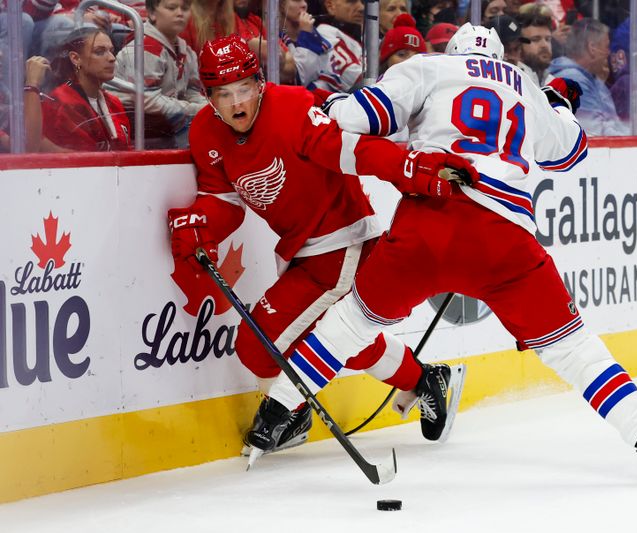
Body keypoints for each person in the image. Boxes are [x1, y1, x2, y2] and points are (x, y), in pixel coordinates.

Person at [280, 23, 637, 484]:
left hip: (429, 223)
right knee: (575, 350)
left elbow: (360, 117)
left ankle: (277, 409)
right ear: (500, 57)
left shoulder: (429, 66)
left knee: (352, 323)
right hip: (503, 239)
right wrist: (556, 101)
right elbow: (570, 152)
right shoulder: (523, 85)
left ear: (453, 50)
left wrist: (329, 103)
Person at [167, 35, 475, 463]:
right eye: (224, 94)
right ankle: (425, 381)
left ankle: (290, 412)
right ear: (208, 96)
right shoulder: (205, 132)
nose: (237, 104)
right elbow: (224, 199)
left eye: (244, 90)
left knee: (258, 345)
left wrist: (413, 171)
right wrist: (201, 224)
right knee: (344, 341)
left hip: (343, 238)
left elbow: (351, 151)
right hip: (301, 250)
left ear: (260, 84)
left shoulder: (292, 107)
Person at [109, 0, 206, 149]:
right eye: (171, 8)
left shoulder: (186, 50)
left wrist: (206, 106)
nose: (180, 13)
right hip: (133, 122)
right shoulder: (145, 46)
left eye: (185, 8)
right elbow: (147, 101)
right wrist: (196, 110)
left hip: (163, 121)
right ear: (152, 13)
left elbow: (191, 91)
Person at [42, 27, 132, 152]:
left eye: (112, 51)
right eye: (99, 52)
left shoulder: (114, 103)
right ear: (76, 58)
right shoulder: (62, 103)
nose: (112, 58)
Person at [549, 18, 628, 136]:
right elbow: (595, 134)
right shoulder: (573, 80)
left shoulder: (591, 79)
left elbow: (613, 124)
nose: (608, 53)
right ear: (592, 48)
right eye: (606, 47)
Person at [279, 0, 332, 87]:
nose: (304, 5)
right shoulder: (274, 39)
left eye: (305, 0)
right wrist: (306, 35)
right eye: (297, 1)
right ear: (280, 5)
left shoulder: (315, 33)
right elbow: (300, 77)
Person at [313, 0, 364, 91]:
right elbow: (358, 80)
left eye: (362, 2)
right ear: (330, 6)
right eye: (351, 2)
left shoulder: (361, 36)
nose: (362, 8)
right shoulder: (324, 34)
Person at [519, 11, 555, 87]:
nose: (544, 45)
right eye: (535, 39)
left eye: (548, 39)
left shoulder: (553, 82)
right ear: (519, 45)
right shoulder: (514, 81)